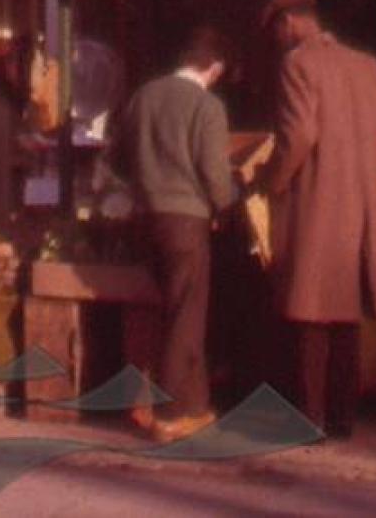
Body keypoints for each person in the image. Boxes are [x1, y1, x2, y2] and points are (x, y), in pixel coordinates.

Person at [257, 0, 376, 438]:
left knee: (310, 317)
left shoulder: (298, 65)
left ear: (289, 22)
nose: (278, 39)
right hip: (361, 207)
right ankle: (343, 419)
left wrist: (271, 182)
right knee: (346, 319)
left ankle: (309, 419)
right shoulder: (367, 65)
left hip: (316, 204)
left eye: (277, 30)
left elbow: (298, 137)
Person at [115, 24, 237, 443]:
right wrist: (230, 205)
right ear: (215, 67)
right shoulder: (208, 107)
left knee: (177, 310)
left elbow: (116, 159)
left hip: (145, 218)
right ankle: (167, 415)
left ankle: (195, 406)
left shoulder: (143, 96)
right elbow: (214, 173)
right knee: (186, 315)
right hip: (187, 220)